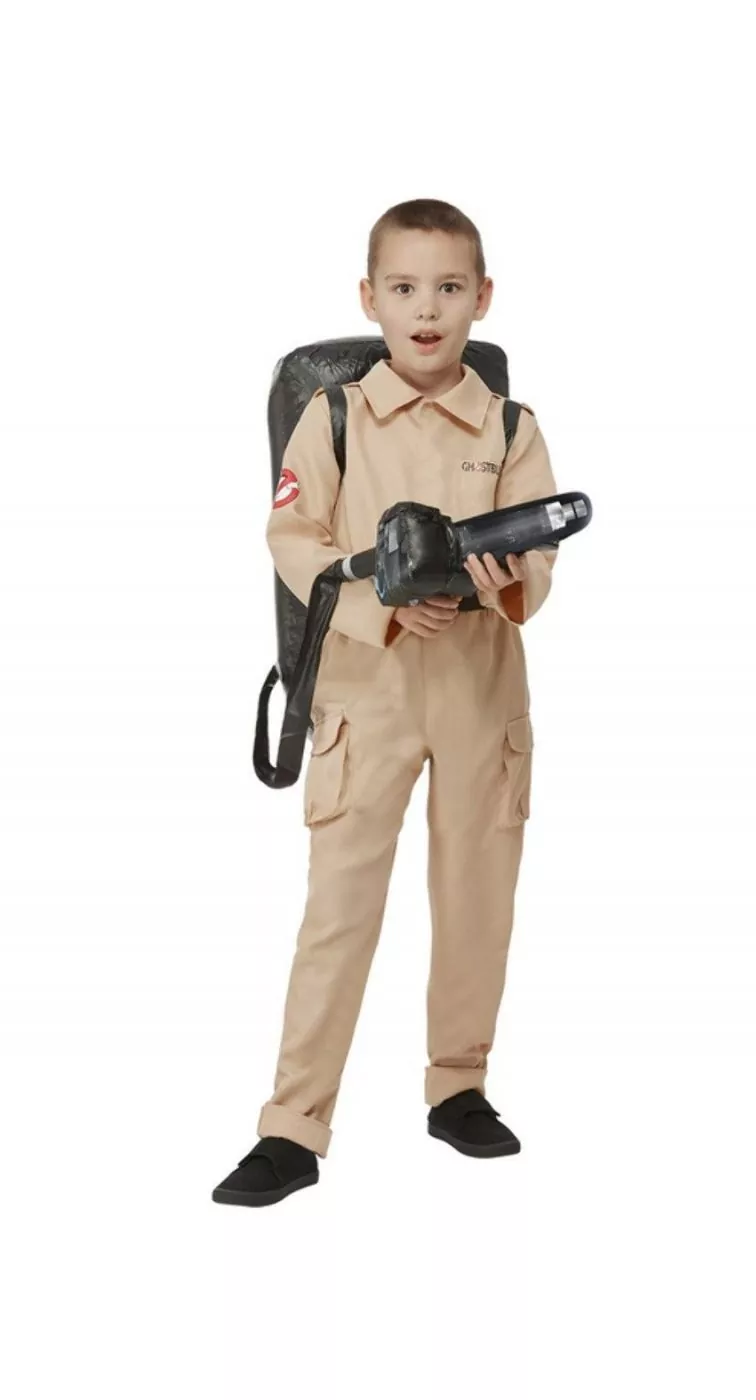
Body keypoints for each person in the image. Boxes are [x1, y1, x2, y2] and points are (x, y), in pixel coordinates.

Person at [212, 198, 559, 1207]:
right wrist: (384, 607)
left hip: (481, 687)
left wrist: (500, 578)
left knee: (477, 895)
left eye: (448, 288)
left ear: (482, 299)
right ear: (369, 299)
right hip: (366, 691)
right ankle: (292, 1126)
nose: (427, 309)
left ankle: (458, 1084)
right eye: (404, 288)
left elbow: (537, 557)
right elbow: (293, 540)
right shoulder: (333, 418)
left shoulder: (511, 426)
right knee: (340, 910)